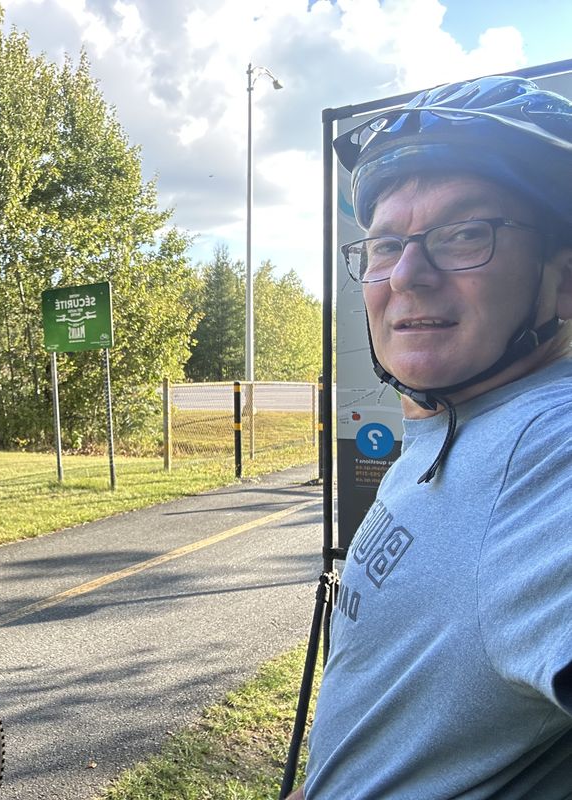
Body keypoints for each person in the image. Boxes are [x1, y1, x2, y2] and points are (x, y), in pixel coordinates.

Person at [295, 75, 572, 799]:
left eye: (464, 233)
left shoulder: (549, 451)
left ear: (565, 280)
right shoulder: (455, 422)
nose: (407, 276)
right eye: (385, 245)